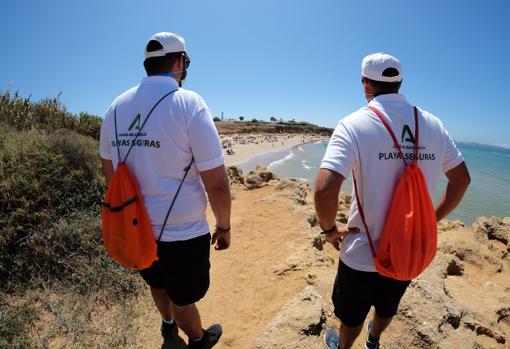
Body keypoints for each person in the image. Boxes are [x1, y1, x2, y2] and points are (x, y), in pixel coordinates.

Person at [314, 52, 470, 349]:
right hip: (408, 247)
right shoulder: (434, 124)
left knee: (351, 316)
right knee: (387, 307)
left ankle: (345, 346)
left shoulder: (353, 124)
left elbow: (324, 189)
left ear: (365, 84)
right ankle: (373, 340)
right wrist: (431, 220)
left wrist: (329, 229)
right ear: (400, 82)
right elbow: (461, 179)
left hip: (362, 250)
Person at [99, 32, 231, 349]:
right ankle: (198, 339)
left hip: (135, 228)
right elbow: (215, 180)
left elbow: (110, 171)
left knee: (157, 284)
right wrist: (224, 225)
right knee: (184, 298)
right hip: (182, 234)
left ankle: (168, 327)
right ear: (179, 62)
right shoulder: (188, 103)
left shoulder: (115, 108)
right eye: (186, 63)